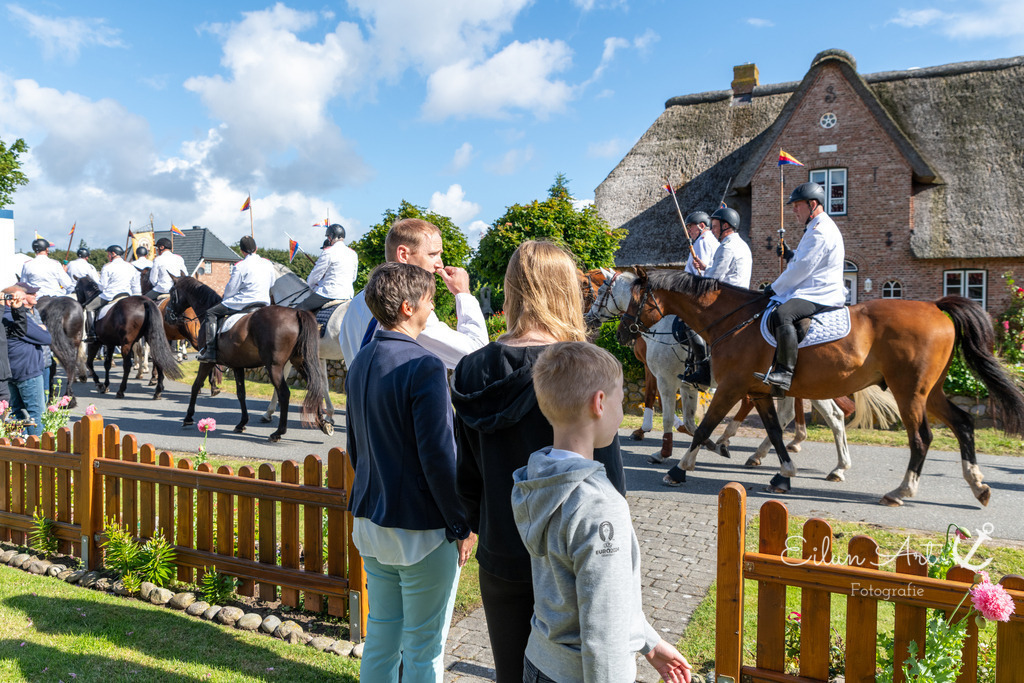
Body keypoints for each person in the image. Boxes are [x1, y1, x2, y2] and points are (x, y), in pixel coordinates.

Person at [451, 240, 627, 683]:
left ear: (512, 290)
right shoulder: (580, 366)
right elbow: (607, 472)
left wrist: (468, 524)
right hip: (572, 553)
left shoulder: (473, 369)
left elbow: (466, 470)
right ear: (566, 289)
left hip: (502, 548)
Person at [511, 342, 692, 683]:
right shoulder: (599, 506)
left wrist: (649, 643)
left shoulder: (538, 479)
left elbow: (589, 595)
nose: (622, 411)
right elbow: (603, 631)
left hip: (539, 663)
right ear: (599, 403)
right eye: (621, 399)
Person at [346, 262, 474, 683]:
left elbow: (354, 447)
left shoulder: (361, 360)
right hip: (418, 528)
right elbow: (439, 455)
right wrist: (460, 523)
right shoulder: (425, 365)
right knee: (424, 646)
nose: (432, 306)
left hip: (369, 517)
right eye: (430, 300)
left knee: (382, 634)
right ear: (407, 307)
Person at [339, 218, 486, 370]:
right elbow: (477, 354)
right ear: (403, 254)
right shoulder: (409, 309)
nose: (440, 264)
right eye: (432, 254)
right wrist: (463, 293)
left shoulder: (356, 303)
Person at [755, 182, 845, 392]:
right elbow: (805, 260)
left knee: (782, 314)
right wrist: (790, 255)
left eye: (797, 205)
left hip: (821, 293)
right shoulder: (816, 228)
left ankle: (785, 373)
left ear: (812, 204)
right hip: (814, 288)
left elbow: (802, 268)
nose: (793, 210)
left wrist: (775, 288)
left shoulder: (820, 231)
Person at [682, 206, 753, 387]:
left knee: (690, 323)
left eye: (714, 226)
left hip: (726, 300)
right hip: (739, 296)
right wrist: (706, 267)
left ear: (725, 226)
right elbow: (720, 272)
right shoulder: (741, 244)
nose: (712, 230)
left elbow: (712, 280)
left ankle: (703, 370)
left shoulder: (727, 246)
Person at [197, 236, 276, 363]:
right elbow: (272, 283)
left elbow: (231, 289)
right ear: (256, 248)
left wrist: (225, 298)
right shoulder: (267, 263)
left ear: (242, 251)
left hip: (243, 302)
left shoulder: (240, 266)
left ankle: (210, 351)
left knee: (211, 313)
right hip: (263, 302)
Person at [677, 211, 719, 388]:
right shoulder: (708, 241)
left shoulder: (703, 242)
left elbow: (700, 272)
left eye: (691, 227)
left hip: (699, 291)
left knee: (689, 323)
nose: (689, 231)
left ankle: (702, 367)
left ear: (701, 226)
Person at [5, 283, 52, 437]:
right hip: (27, 371)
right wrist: (40, 328)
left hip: (10, 371)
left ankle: (16, 447)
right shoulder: (15, 316)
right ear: (9, 300)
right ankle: (36, 451)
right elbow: (45, 337)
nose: (24, 302)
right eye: (21, 298)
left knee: (15, 413)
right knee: (35, 413)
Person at [83, 245, 141, 341]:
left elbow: (103, 286)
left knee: (89, 307)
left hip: (110, 296)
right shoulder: (131, 267)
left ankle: (91, 334)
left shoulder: (107, 267)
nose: (107, 256)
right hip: (127, 295)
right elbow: (136, 287)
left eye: (108, 254)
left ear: (113, 254)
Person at [297, 223, 358, 310]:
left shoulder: (329, 252)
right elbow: (353, 278)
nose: (328, 239)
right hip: (348, 295)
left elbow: (315, 275)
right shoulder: (353, 253)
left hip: (330, 293)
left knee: (297, 312)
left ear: (332, 236)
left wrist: (313, 287)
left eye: (328, 237)